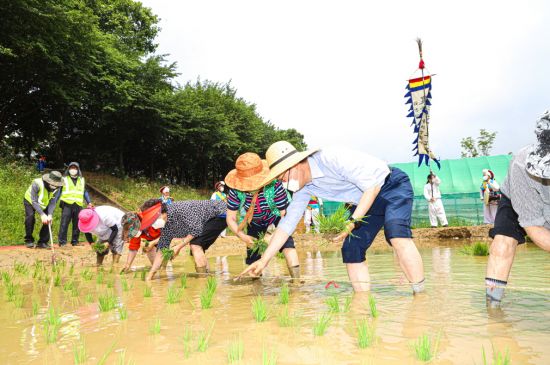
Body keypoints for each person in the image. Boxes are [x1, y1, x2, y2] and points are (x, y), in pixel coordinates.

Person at [239, 141, 425, 294]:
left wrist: (351, 223)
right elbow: (286, 226)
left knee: (396, 234)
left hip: (390, 185)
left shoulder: (331, 158)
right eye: (280, 181)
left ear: (294, 165)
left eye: (283, 178)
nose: (284, 183)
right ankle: (361, 301)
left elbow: (372, 187)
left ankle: (420, 294)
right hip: (365, 201)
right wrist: (264, 260)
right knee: (352, 248)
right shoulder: (305, 189)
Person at [485, 110, 550, 307]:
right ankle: (493, 306)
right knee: (503, 242)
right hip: (520, 197)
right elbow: (534, 226)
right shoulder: (522, 166)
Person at [224, 153, 300, 278]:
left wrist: (275, 236)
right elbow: (230, 218)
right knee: (253, 252)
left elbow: (284, 215)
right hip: (254, 219)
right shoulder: (235, 190)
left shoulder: (274, 185)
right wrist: (243, 237)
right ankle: (255, 285)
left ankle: (297, 281)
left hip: (275, 215)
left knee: (288, 245)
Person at [146, 199, 228, 280]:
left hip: (220, 213)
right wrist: (150, 275)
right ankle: (207, 276)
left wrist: (178, 247)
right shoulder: (166, 226)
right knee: (195, 250)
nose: (154, 222)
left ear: (160, 212)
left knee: (195, 245)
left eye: (154, 219)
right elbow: (161, 251)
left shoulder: (178, 209)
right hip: (207, 219)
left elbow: (195, 229)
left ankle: (203, 280)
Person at [56, 162, 94, 246]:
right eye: (71, 168)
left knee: (77, 224)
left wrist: (89, 202)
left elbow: (84, 192)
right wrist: (54, 202)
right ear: (68, 169)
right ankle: (62, 242)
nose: (73, 170)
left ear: (78, 169)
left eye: (75, 168)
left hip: (78, 204)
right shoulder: (64, 179)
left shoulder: (81, 179)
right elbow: (59, 192)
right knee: (64, 223)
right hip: (67, 204)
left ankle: (75, 241)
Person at [24, 171, 64, 248]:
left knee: (48, 220)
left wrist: (49, 214)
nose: (54, 186)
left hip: (45, 203)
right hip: (30, 200)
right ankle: (29, 240)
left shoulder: (58, 187)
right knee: (30, 217)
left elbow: (53, 201)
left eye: (56, 184)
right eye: (53, 184)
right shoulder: (37, 183)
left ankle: (43, 242)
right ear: (48, 181)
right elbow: (34, 201)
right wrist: (42, 214)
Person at [120, 204, 162, 273]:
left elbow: (168, 235)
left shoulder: (151, 219)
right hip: (151, 238)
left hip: (163, 235)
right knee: (156, 266)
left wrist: (153, 243)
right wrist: (127, 266)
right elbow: (133, 248)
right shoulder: (133, 229)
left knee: (163, 266)